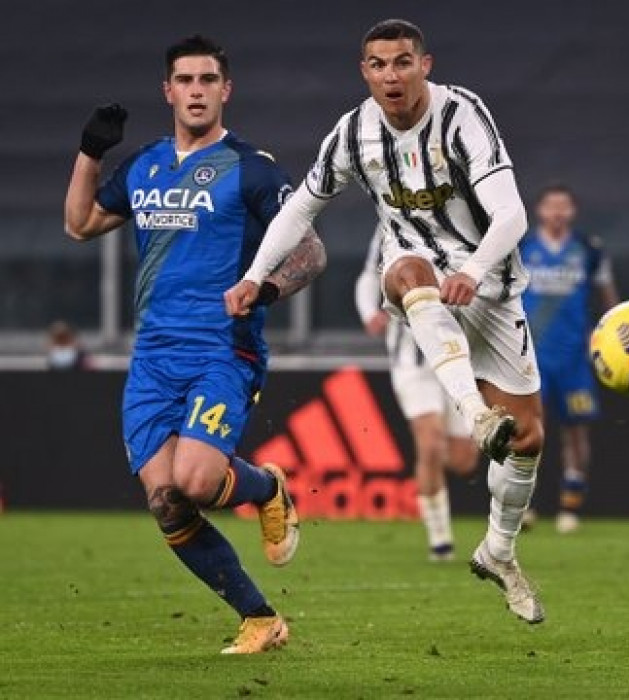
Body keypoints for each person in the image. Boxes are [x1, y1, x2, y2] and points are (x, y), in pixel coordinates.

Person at [225, 19, 545, 624]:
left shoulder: (462, 116)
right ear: (364, 72)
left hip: (490, 285)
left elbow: (512, 216)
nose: (390, 75)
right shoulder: (353, 133)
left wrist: (473, 271)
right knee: (404, 270)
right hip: (417, 269)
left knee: (527, 441)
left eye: (402, 62)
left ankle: (499, 552)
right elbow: (302, 208)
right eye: (378, 65)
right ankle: (474, 414)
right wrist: (253, 275)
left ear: (425, 65)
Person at [64, 35, 327, 654]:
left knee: (196, 481)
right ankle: (260, 619)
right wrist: (90, 152)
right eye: (185, 80)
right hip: (153, 359)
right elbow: (80, 225)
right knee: (167, 503)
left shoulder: (252, 168)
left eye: (208, 79)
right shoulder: (145, 166)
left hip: (223, 351)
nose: (197, 90)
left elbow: (311, 251)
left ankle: (267, 488)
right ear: (168, 91)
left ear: (225, 89)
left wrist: (264, 289)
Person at [355, 225, 479, 560]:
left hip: (457, 355)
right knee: (430, 442)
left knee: (464, 460)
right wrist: (369, 312)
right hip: (412, 361)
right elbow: (369, 275)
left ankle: (434, 475)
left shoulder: (464, 219)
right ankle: (440, 539)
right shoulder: (389, 224)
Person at [520, 184, 619, 534]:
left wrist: (610, 332)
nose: (558, 212)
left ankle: (570, 505)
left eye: (564, 206)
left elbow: (607, 296)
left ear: (573, 211)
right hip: (532, 357)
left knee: (576, 430)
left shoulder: (588, 249)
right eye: (552, 206)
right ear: (539, 210)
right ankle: (525, 504)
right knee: (531, 431)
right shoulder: (522, 247)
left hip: (575, 356)